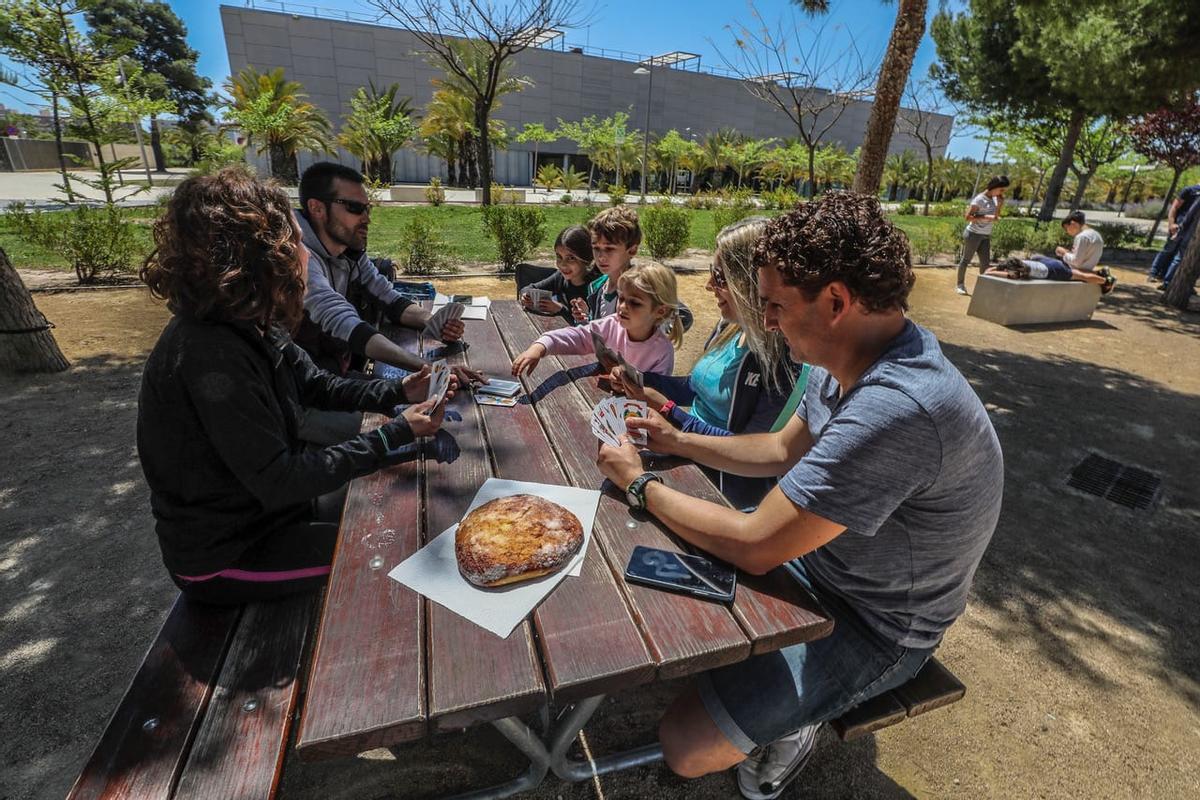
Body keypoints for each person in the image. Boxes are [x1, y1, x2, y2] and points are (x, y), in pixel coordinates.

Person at [596, 193, 1003, 800]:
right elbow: (780, 450)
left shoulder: (898, 407)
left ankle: (797, 728)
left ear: (836, 301)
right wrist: (677, 437)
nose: (767, 318)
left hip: (875, 624)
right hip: (816, 563)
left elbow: (758, 545)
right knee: (643, 595)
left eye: (776, 304)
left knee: (685, 746)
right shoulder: (843, 356)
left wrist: (638, 483)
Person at [137, 168, 452, 605]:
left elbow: (317, 383)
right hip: (228, 555)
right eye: (294, 242)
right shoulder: (209, 351)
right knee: (403, 554)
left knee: (409, 514)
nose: (304, 253)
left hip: (276, 517)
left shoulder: (247, 321)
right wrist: (395, 432)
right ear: (257, 258)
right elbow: (281, 478)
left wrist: (399, 393)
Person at [608, 217, 808, 511]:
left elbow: (751, 450)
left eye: (719, 276)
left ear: (750, 281)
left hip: (722, 490)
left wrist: (670, 412)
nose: (708, 285)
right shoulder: (730, 327)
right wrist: (641, 380)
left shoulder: (785, 361)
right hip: (685, 453)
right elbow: (695, 387)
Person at [294, 162, 484, 379]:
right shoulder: (296, 256)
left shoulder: (348, 251)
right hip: (308, 391)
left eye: (367, 208)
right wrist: (431, 369)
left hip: (338, 376)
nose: (367, 218)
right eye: (354, 208)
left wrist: (431, 321)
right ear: (316, 208)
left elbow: (390, 299)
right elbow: (346, 325)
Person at [512, 261, 682, 377]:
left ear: (660, 311)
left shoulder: (661, 352)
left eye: (635, 303)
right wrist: (540, 347)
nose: (622, 307)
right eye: (621, 298)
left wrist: (626, 383)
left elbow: (657, 397)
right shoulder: (612, 324)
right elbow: (577, 336)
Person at [576, 205, 693, 330]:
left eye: (609, 249)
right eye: (596, 248)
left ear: (632, 250)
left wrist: (650, 336)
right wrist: (586, 319)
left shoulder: (642, 285)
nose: (601, 257)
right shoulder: (596, 287)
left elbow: (684, 315)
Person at [987, 211, 1115, 293]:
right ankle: (1100, 274)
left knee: (1079, 275)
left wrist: (1064, 253)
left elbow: (1076, 261)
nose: (1067, 232)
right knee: (1038, 257)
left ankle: (1105, 280)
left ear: (1073, 223)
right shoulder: (1095, 235)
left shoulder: (1081, 237)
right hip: (1069, 266)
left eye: (1067, 229)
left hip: (1068, 267)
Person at [519, 224, 599, 324]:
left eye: (571, 258)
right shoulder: (560, 277)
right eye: (559, 256)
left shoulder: (597, 287)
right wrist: (526, 296)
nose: (563, 264)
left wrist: (560, 309)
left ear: (585, 258)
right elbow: (528, 288)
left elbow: (594, 326)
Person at [955, 175, 1010, 295]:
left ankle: (984, 288)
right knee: (966, 260)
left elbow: (995, 218)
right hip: (973, 234)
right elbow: (967, 217)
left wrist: (999, 205)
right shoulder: (979, 199)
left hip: (985, 235)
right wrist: (985, 217)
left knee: (985, 264)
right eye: (1001, 190)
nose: (1002, 193)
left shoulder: (995, 199)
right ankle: (960, 285)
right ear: (994, 187)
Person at [1147, 183, 1200, 284]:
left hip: (1192, 230)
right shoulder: (1189, 190)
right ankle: (1153, 273)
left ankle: (1167, 280)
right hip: (1179, 226)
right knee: (1168, 250)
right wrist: (1171, 224)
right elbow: (1174, 208)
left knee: (1180, 256)